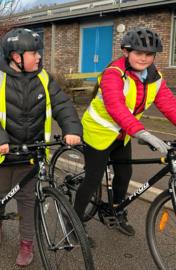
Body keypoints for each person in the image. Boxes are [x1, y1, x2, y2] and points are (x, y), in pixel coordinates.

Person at [0, 28, 82, 267]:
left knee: (27, 200)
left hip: (32, 152)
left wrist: (72, 129)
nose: (39, 57)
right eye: (34, 53)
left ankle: (27, 244)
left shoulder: (44, 78)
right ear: (16, 57)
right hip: (3, 152)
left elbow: (62, 104)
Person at [74, 27, 176, 241]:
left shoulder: (154, 77)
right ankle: (73, 222)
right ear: (125, 51)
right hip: (98, 131)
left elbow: (169, 104)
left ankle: (116, 211)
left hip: (123, 134)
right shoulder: (114, 73)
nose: (144, 58)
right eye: (138, 53)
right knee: (93, 179)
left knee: (125, 174)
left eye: (149, 54)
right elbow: (115, 106)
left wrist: (135, 131)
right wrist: (142, 132)